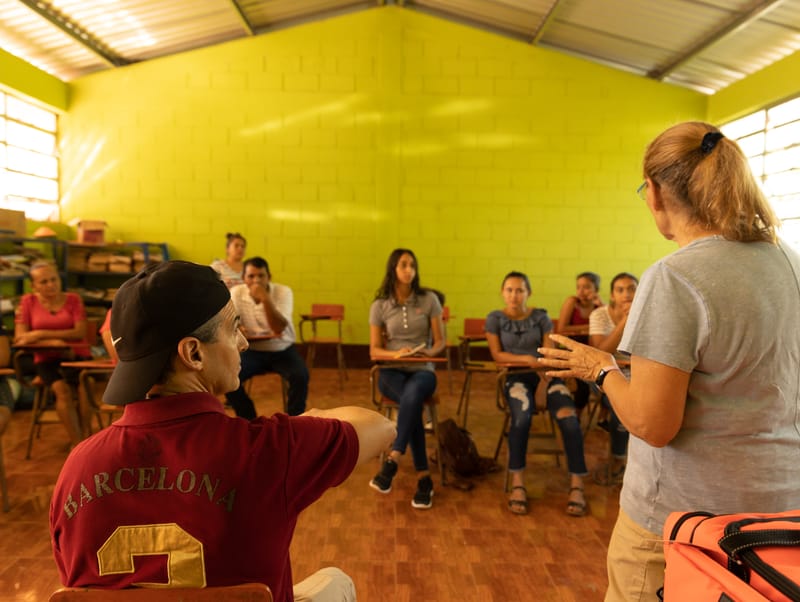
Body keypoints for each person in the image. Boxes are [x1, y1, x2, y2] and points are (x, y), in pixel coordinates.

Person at [537, 122, 800, 602]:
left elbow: (652, 423)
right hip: (781, 516)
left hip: (686, 524)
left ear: (655, 194)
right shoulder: (789, 261)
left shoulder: (675, 277)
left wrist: (601, 369)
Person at [49, 260, 396, 602]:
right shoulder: (270, 450)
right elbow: (381, 427)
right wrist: (308, 421)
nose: (243, 342)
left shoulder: (76, 468)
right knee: (335, 581)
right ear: (193, 353)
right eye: (233, 329)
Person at [485, 271, 589, 517]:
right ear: (502, 292)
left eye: (519, 290)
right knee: (521, 418)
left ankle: (577, 486)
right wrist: (527, 359)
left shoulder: (541, 317)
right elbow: (498, 355)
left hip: (546, 376)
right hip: (515, 377)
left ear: (528, 293)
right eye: (509, 290)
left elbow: (549, 355)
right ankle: (518, 482)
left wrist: (543, 384)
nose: (514, 295)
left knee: (569, 419)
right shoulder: (495, 318)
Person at [368, 248, 445, 509]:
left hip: (423, 369)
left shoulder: (429, 299)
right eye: (403, 265)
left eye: (412, 264)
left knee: (412, 397)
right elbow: (374, 350)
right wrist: (394, 353)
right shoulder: (380, 306)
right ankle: (424, 479)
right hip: (391, 371)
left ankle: (394, 458)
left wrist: (428, 351)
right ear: (393, 269)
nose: (409, 269)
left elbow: (441, 342)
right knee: (412, 405)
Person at [14, 261, 91, 447]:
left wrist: (40, 334)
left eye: (54, 279)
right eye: (44, 282)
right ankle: (78, 442)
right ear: (34, 286)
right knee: (61, 390)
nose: (51, 285)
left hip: (76, 354)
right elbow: (20, 337)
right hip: (46, 358)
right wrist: (52, 342)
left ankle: (88, 439)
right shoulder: (28, 302)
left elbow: (80, 332)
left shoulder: (73, 299)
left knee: (84, 388)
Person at [225, 256, 309, 418]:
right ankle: (248, 418)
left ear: (269, 277)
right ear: (244, 278)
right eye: (251, 276)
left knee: (300, 375)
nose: (256, 281)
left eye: (261, 276)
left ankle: (294, 419)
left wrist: (265, 299)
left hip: (282, 349)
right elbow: (231, 324)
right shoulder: (236, 293)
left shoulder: (283, 292)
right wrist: (238, 328)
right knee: (227, 378)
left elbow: (278, 327)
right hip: (252, 350)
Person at [588, 272, 638, 485]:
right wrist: (625, 322)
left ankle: (640, 462)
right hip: (604, 372)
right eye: (620, 290)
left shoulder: (647, 313)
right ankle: (618, 461)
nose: (626, 294)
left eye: (631, 288)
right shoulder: (599, 315)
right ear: (612, 295)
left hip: (636, 373)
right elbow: (601, 352)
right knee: (622, 407)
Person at [556, 271, 603, 411]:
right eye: (579, 287)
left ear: (596, 290)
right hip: (571, 353)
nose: (581, 291)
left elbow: (608, 326)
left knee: (605, 379)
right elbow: (562, 329)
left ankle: (603, 417)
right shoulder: (572, 302)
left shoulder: (598, 307)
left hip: (592, 353)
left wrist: (601, 304)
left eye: (587, 287)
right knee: (582, 386)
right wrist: (590, 326)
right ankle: (575, 416)